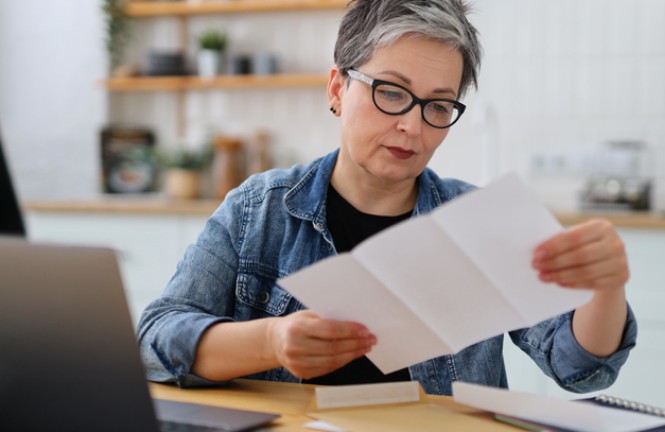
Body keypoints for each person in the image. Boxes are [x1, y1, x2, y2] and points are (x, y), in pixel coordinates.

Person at [138, 0, 637, 396]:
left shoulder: (480, 224)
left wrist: (605, 290)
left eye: (438, 105)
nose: (412, 125)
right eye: (392, 92)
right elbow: (156, 342)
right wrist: (270, 342)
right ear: (337, 87)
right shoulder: (257, 211)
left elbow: (578, 368)